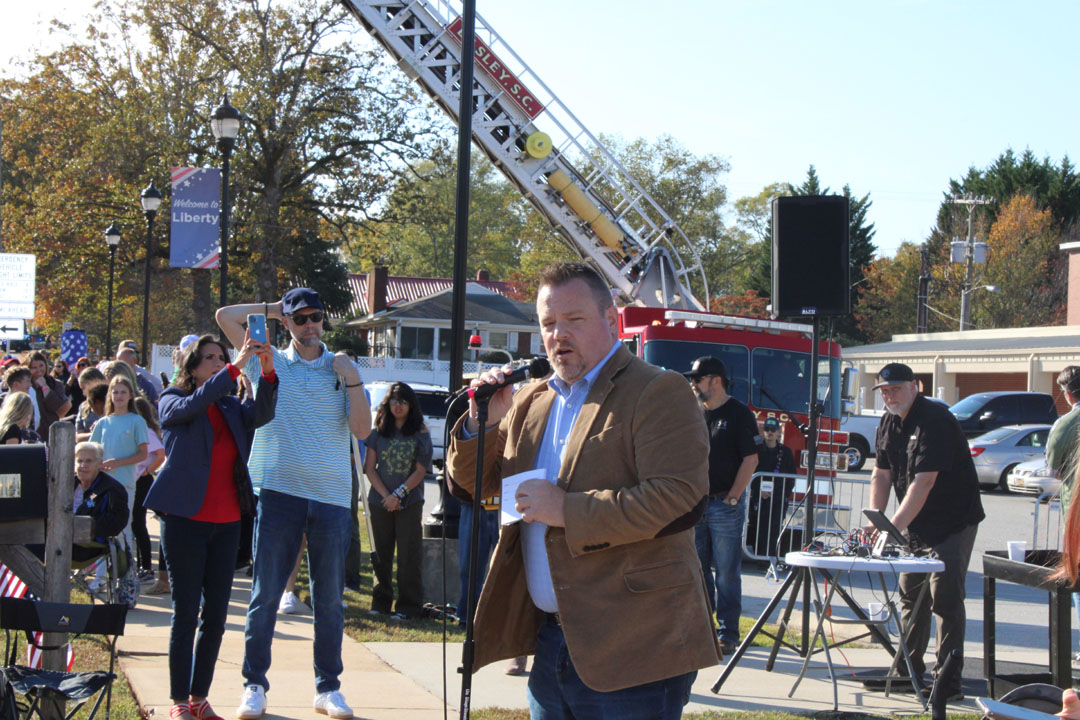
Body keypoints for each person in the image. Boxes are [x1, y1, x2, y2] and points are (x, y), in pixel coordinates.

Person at [445, 262, 717, 718]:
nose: (558, 335)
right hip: (551, 640)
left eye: (574, 319)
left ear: (611, 321)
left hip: (636, 645)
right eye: (549, 324)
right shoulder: (531, 399)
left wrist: (568, 510)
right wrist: (481, 423)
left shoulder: (658, 390)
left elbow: (679, 499)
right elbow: (475, 487)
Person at [216, 288, 371, 720]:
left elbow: (361, 429)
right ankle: (254, 685)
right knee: (265, 595)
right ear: (287, 323)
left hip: (332, 499)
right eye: (299, 318)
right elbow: (225, 314)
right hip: (279, 492)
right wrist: (274, 311)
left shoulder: (341, 368)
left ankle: (328, 688)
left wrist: (352, 376)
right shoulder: (271, 361)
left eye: (315, 317)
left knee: (330, 601)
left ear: (324, 320)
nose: (309, 325)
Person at [144, 332, 277, 720]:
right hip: (186, 521)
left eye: (222, 357)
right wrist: (235, 365)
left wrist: (267, 376)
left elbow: (262, 415)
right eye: (210, 358)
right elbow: (189, 407)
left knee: (216, 617)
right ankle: (177, 701)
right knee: (185, 613)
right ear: (192, 365)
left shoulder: (232, 406)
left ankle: (199, 698)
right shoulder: (172, 400)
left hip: (227, 522)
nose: (219, 362)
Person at [865, 362, 984, 702]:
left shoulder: (935, 419)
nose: (890, 396)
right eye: (884, 391)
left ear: (915, 386)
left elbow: (925, 481)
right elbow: (881, 474)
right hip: (914, 523)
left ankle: (948, 680)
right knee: (910, 596)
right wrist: (877, 521)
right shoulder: (888, 420)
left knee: (944, 599)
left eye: (896, 389)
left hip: (952, 522)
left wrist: (893, 528)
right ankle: (908, 672)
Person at [684, 355, 759, 655]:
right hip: (696, 504)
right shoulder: (693, 412)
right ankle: (702, 629)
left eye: (697, 379)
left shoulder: (739, 413)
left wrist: (734, 496)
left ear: (715, 380)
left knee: (726, 572)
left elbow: (751, 459)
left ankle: (728, 633)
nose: (692, 384)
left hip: (724, 505)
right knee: (697, 570)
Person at [364, 381, 432, 620]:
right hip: (380, 501)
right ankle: (380, 602)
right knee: (380, 555)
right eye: (394, 400)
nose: (398, 406)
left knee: (408, 556)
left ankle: (408, 606)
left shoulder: (421, 432)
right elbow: (370, 468)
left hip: (409, 502)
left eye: (403, 401)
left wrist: (399, 495)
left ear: (411, 405)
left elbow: (421, 470)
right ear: (387, 403)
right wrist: (386, 496)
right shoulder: (378, 430)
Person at [89, 376, 150, 540]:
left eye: (123, 392)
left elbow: (143, 454)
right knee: (99, 527)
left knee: (123, 530)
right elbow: (91, 451)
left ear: (130, 395)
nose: (119, 396)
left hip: (125, 483)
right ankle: (100, 566)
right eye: (115, 392)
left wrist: (117, 462)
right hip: (102, 485)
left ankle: (126, 565)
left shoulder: (137, 421)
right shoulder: (103, 422)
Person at [748, 417, 797, 559]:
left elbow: (791, 476)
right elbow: (750, 472)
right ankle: (760, 558)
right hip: (758, 497)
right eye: (767, 429)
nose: (770, 432)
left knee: (775, 528)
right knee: (758, 527)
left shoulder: (785, 452)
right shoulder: (756, 450)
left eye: (773, 430)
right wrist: (758, 492)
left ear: (778, 432)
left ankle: (770, 558)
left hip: (778, 499)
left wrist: (783, 495)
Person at [130, 396, 166, 582]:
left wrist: (146, 471)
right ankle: (142, 566)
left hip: (141, 481)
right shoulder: (141, 430)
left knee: (138, 523)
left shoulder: (146, 431)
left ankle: (146, 568)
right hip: (136, 480)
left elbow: (160, 454)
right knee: (136, 524)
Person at [28, 352, 70, 439]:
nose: (39, 370)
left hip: (50, 432)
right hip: (31, 432)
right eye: (34, 368)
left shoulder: (56, 384)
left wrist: (44, 386)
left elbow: (55, 406)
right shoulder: (26, 385)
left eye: (41, 366)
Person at [0, 367, 40, 431]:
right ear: (16, 384)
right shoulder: (1, 401)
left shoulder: (27, 402)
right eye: (27, 381)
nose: (30, 384)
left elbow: (34, 423)